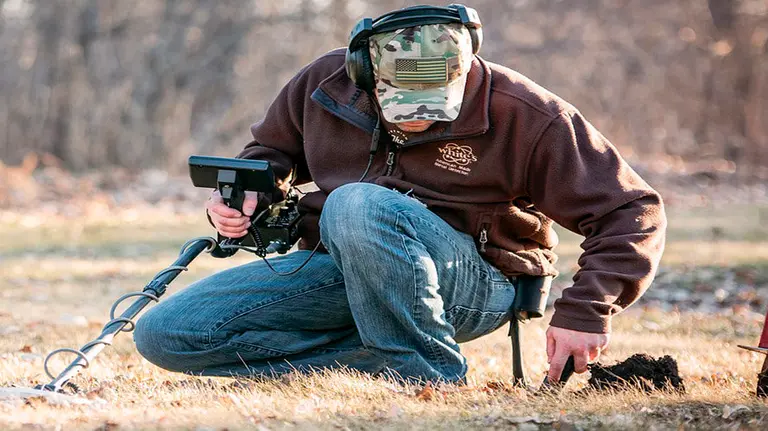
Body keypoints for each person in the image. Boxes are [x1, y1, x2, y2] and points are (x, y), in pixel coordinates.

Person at [133, 4, 666, 385]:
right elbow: (269, 154)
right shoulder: (323, 85)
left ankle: (425, 371)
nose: (418, 122)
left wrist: (585, 312)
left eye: (435, 107)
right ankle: (373, 364)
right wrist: (243, 194)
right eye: (402, 106)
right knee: (167, 334)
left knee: (356, 201)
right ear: (364, 74)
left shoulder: (527, 113)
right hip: (344, 265)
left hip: (478, 279)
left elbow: (630, 210)